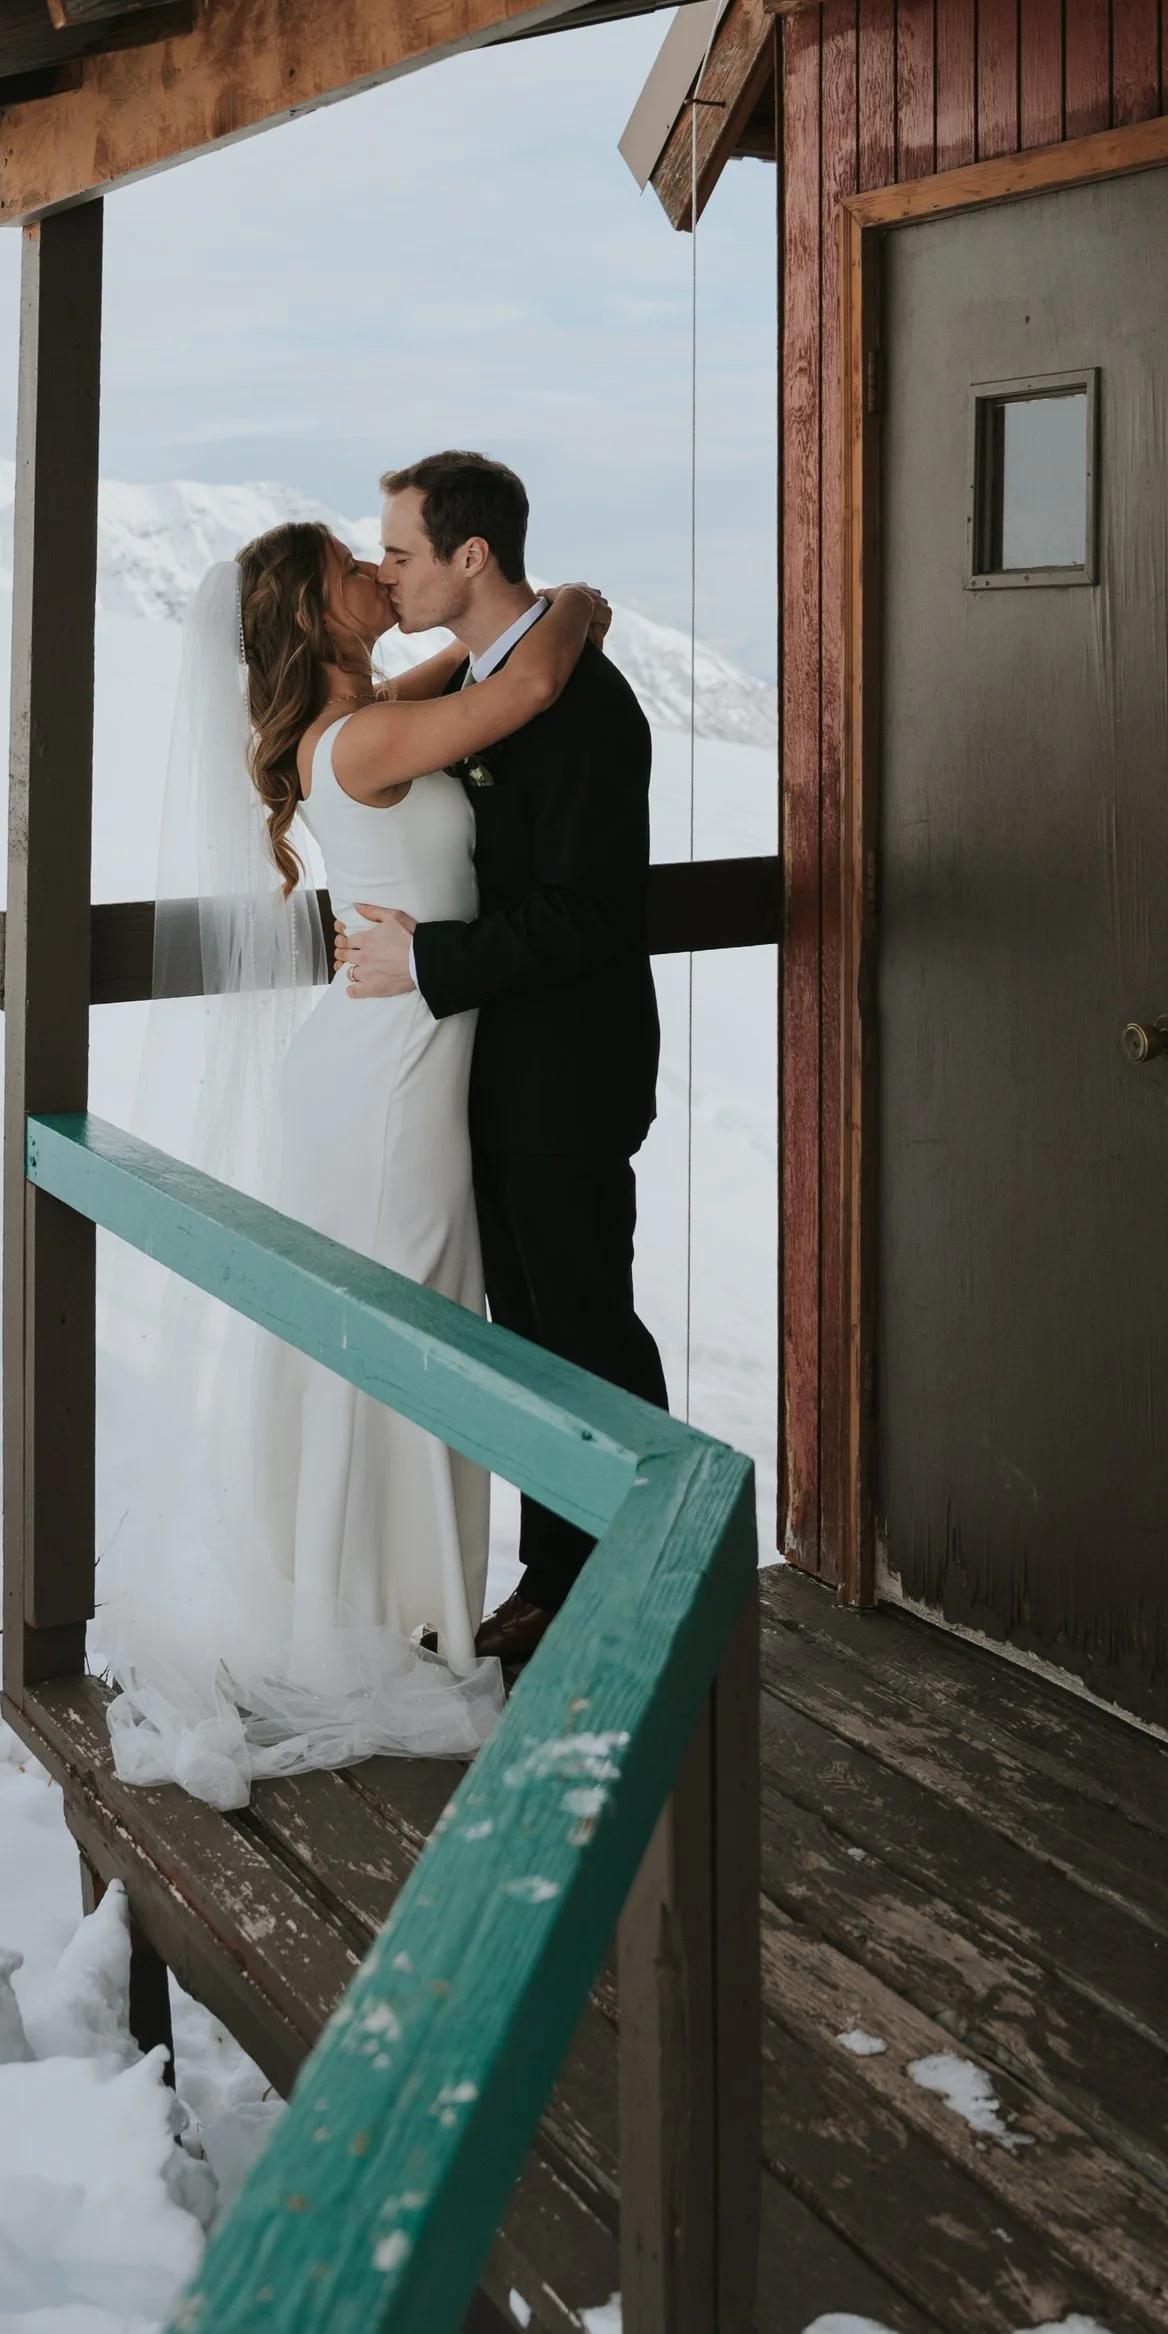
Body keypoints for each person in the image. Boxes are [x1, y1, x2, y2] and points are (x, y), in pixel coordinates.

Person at [96, 513, 607, 1805]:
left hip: (389, 1054)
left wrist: (458, 651)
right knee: (417, 1325)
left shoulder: (362, 719)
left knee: (402, 1325)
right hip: (389, 1083)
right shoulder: (366, 740)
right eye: (347, 564)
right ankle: (399, 1631)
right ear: (312, 616)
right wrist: (580, 605)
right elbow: (532, 682)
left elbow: (449, 681)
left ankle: (389, 1610)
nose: (377, 570)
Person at [336, 451, 665, 1680]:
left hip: (565, 1075)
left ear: (472, 557)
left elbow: (588, 915)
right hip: (489, 1071)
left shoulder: (583, 703)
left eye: (404, 553)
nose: (389, 570)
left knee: (586, 1328)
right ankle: (557, 1580)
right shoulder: (500, 678)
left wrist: (430, 959)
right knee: (529, 1333)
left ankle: (634, 1576)